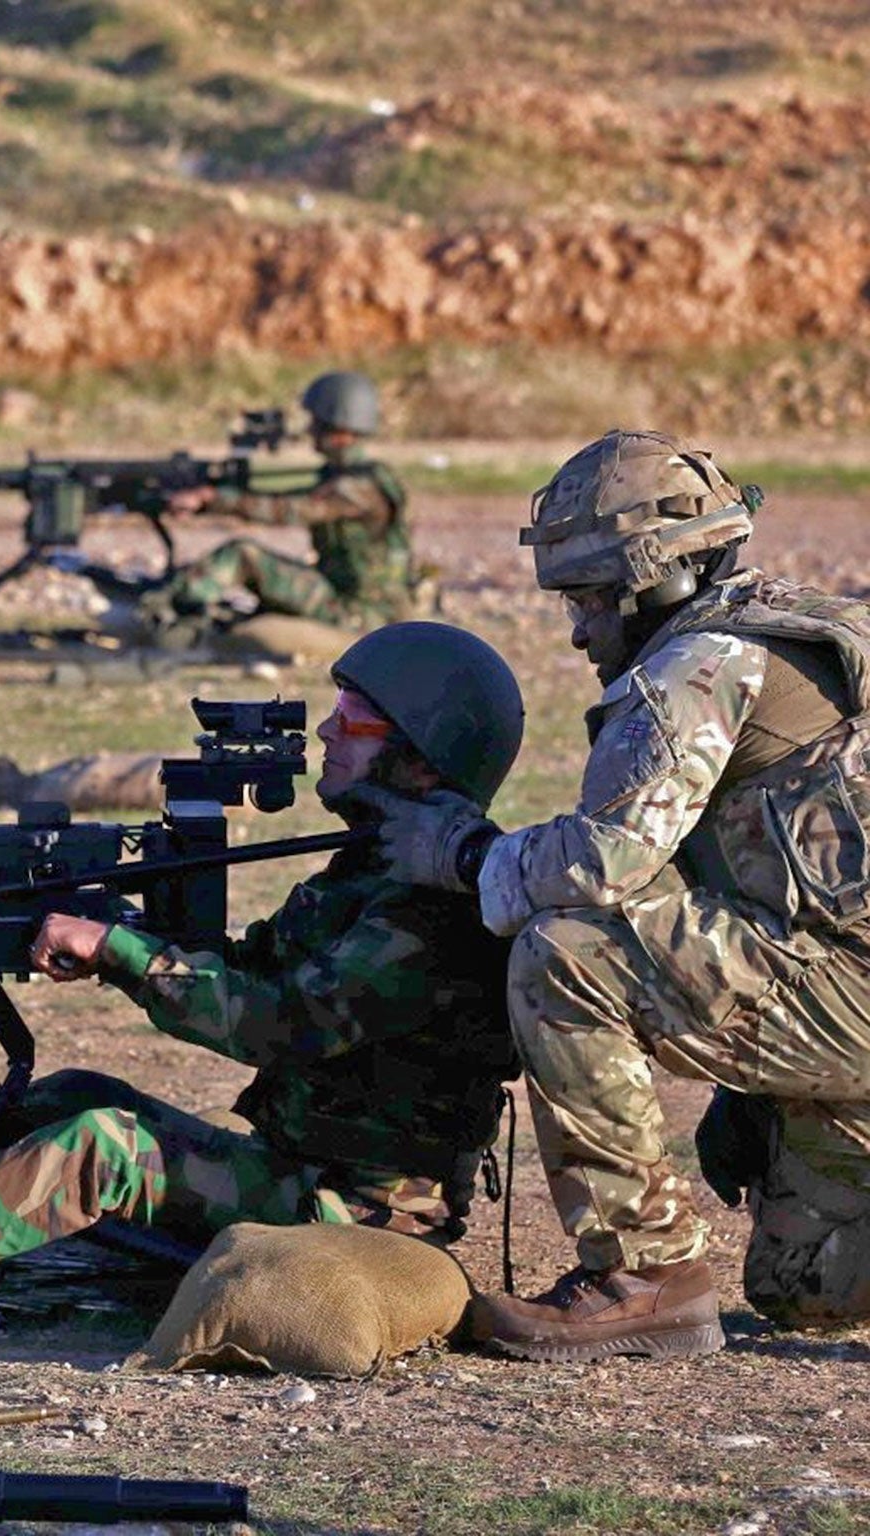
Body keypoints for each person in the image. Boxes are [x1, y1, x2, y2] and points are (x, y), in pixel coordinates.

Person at [0, 622, 525, 1328]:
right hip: (303, 1168)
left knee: (105, 1149)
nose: (327, 733)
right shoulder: (370, 874)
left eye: (355, 718)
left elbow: (276, 1022)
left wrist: (125, 954)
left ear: (421, 758)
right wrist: (122, 935)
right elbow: (254, 968)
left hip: (357, 1210)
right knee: (74, 1095)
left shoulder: (428, 911)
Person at [354, 430, 870, 1362]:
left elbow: (603, 864)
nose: (580, 629)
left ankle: (647, 1277)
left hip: (854, 996)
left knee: (566, 951)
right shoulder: (812, 631)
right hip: (848, 988)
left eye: (590, 600)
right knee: (805, 1288)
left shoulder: (702, 667)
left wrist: (464, 854)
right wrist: (753, 1089)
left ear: (656, 581)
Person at [158, 371, 418, 629]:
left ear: (338, 426)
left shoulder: (360, 486)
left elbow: (293, 510)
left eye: (317, 422)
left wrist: (214, 499)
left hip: (361, 614)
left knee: (244, 555)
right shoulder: (354, 476)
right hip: (354, 601)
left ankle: (168, 613)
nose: (310, 429)